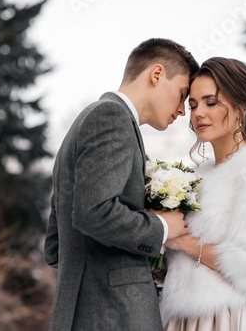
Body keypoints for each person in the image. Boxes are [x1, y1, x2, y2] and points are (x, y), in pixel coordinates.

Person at [44, 38, 200, 331]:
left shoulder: (90, 121)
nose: (182, 111)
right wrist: (163, 228)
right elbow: (94, 213)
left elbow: (55, 247)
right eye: (182, 94)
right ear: (156, 75)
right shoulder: (111, 116)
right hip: (111, 317)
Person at [160, 57, 246, 330]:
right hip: (184, 319)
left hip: (232, 318)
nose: (198, 113)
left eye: (211, 102)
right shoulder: (196, 179)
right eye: (193, 104)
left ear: (240, 108)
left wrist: (181, 242)